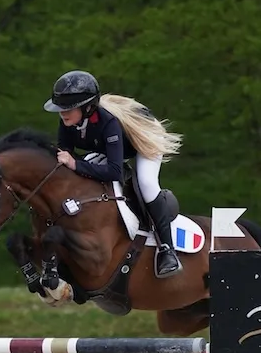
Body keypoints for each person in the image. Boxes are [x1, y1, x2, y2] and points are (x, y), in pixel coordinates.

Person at [44, 70, 184, 279]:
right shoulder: (67, 121)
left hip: (142, 141)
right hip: (108, 149)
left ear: (87, 107)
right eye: (61, 108)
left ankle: (167, 250)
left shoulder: (108, 123)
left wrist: (75, 164)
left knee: (146, 184)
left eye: (69, 108)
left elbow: (115, 171)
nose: (62, 113)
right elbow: (66, 157)